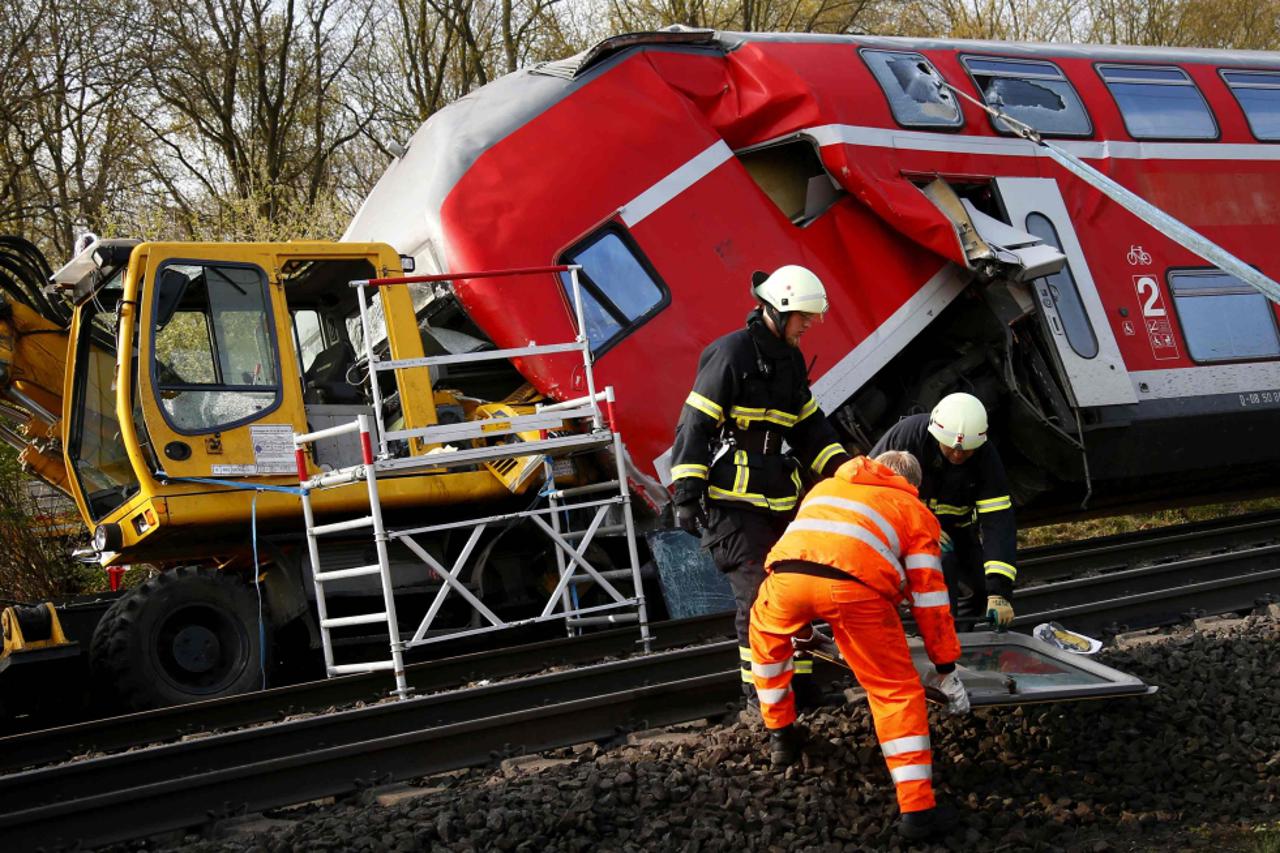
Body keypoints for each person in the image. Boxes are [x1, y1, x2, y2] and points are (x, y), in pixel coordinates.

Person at [748, 451, 967, 840]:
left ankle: (781, 737)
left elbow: (809, 549)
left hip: (786, 580)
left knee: (766, 646)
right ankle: (918, 812)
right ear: (911, 484)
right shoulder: (912, 508)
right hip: (855, 594)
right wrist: (946, 667)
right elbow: (930, 600)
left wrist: (802, 632)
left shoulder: (825, 488)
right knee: (895, 691)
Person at [670, 264, 851, 705]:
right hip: (733, 504)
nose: (810, 324)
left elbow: (810, 427)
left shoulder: (788, 361)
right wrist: (687, 495)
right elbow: (694, 425)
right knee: (756, 600)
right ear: (778, 309)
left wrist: (845, 473)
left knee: (797, 592)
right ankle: (763, 698)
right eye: (804, 316)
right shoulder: (732, 354)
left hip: (779, 498)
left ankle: (803, 689)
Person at [870, 392, 1017, 628]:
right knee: (941, 571)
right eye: (950, 448)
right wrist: (921, 527)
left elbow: (998, 521)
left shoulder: (986, 456)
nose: (958, 454)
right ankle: (935, 638)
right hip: (904, 529)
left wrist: (999, 591)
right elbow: (871, 492)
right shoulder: (908, 436)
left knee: (979, 588)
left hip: (957, 531)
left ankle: (959, 638)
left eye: (966, 450)